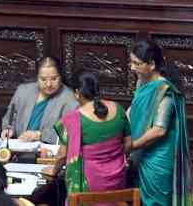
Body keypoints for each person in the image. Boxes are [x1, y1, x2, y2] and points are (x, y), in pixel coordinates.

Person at [43, 70, 131, 201]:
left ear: (77, 93)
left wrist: (53, 170)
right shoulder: (118, 109)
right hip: (117, 185)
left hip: (88, 188)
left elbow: (62, 156)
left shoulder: (73, 119)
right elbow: (128, 145)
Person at [129, 40, 193, 206]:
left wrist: (131, 145)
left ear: (151, 64)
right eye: (131, 62)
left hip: (158, 158)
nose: (132, 67)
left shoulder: (164, 91)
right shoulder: (143, 83)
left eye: (137, 63)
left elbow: (159, 130)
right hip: (142, 154)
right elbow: (132, 110)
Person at [1, 56, 77, 144]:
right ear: (37, 77)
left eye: (54, 79)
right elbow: (9, 118)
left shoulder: (69, 98)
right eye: (43, 79)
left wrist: (39, 135)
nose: (48, 84)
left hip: (50, 153)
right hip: (20, 147)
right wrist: (8, 129)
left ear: (61, 76)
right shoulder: (23, 91)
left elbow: (69, 132)